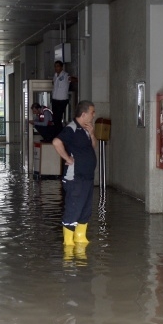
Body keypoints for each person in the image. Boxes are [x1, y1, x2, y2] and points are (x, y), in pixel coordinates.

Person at [52, 100, 97, 247]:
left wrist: (91, 133)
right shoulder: (71, 128)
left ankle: (80, 237)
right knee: (73, 208)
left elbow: (93, 147)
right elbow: (56, 142)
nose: (94, 115)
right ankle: (68, 242)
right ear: (83, 114)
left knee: (85, 209)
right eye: (92, 112)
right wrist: (67, 158)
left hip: (87, 177)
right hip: (75, 177)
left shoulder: (86, 128)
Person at [51, 60, 76, 130]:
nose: (56, 68)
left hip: (62, 100)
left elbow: (71, 79)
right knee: (54, 118)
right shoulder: (55, 75)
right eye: (55, 66)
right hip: (55, 99)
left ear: (61, 67)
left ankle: (60, 134)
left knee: (58, 118)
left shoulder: (65, 75)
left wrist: (72, 79)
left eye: (58, 66)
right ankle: (57, 133)